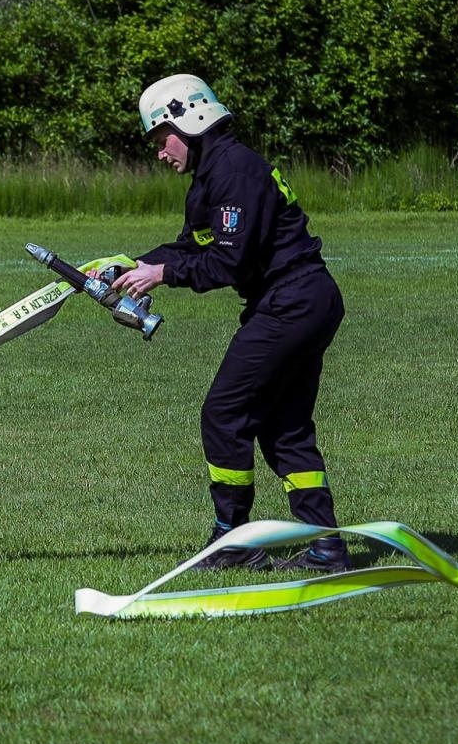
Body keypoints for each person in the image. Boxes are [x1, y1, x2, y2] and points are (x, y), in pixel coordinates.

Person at [109, 74, 351, 573]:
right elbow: (191, 247)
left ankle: (233, 539)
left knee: (224, 414)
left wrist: (162, 274)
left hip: (291, 301)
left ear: (189, 122)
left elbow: (228, 263)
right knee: (285, 427)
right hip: (301, 300)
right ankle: (326, 545)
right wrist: (129, 266)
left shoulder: (235, 171)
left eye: (161, 138)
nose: (159, 152)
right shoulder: (214, 174)